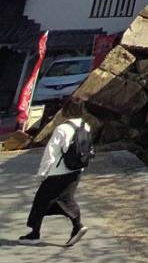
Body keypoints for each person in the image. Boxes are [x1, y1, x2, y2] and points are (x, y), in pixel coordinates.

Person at [19, 99, 93, 246]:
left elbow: (50, 153)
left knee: (42, 200)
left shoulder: (62, 129)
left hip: (58, 172)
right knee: (62, 199)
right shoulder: (86, 127)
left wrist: (42, 173)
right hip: (75, 170)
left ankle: (37, 234)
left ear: (66, 110)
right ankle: (74, 227)